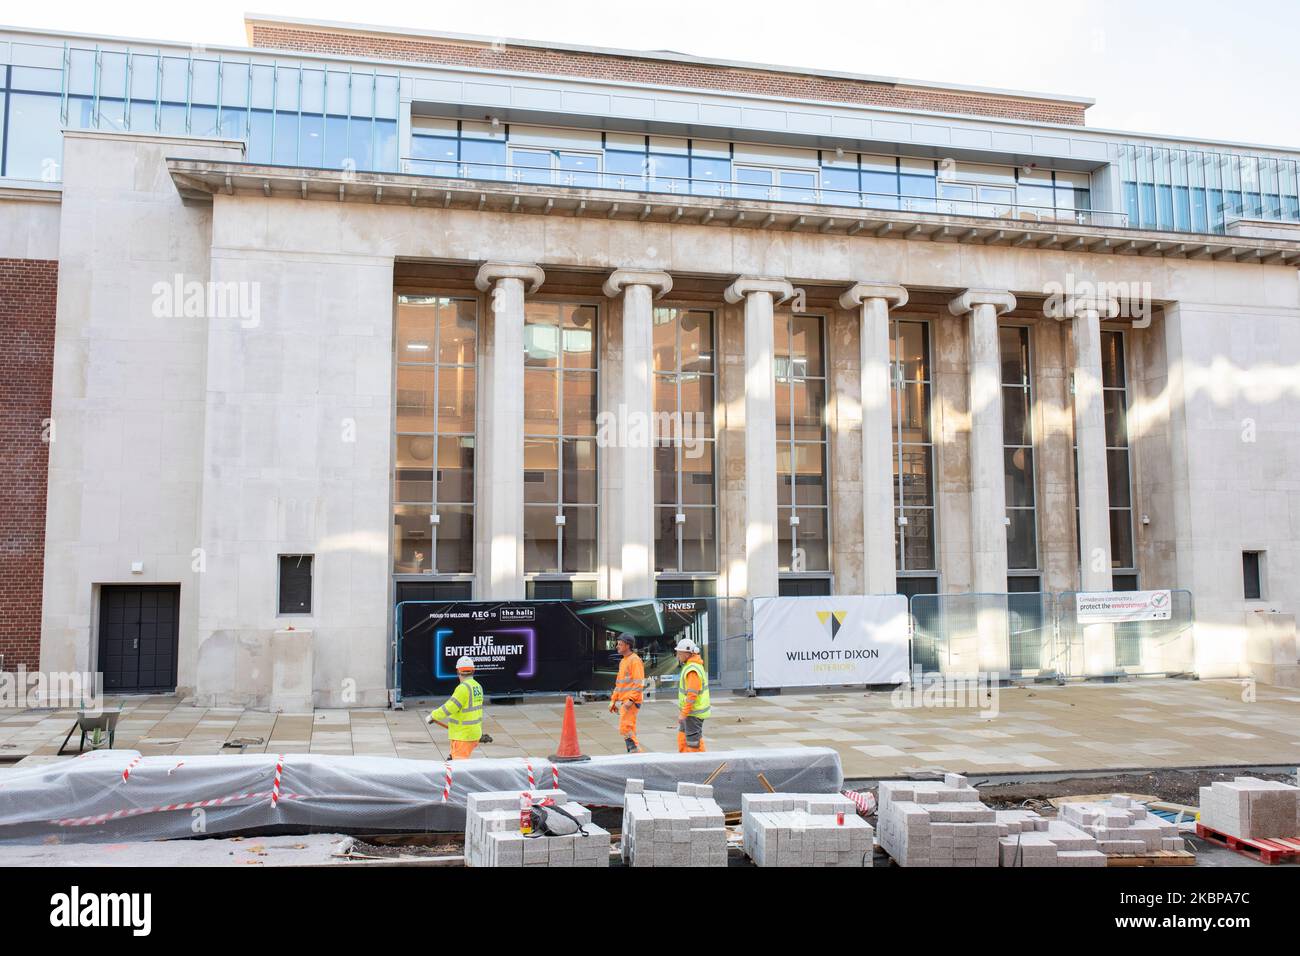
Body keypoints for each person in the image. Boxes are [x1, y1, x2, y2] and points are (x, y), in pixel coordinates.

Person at [426, 656, 484, 759]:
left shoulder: (463, 688)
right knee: (455, 761)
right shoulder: (477, 686)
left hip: (463, 735)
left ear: (458, 671)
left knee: (458, 767)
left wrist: (433, 715)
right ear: (473, 670)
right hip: (473, 732)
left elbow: (449, 707)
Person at [609, 636, 645, 753]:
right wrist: (613, 700)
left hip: (631, 702)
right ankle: (633, 753)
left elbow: (639, 683)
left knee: (626, 727)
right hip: (626, 701)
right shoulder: (624, 661)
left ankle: (636, 752)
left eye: (620, 644)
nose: (617, 646)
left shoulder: (634, 660)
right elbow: (619, 683)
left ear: (627, 645)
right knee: (629, 728)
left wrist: (630, 700)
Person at [674, 638, 710, 753]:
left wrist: (683, 714)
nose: (678, 656)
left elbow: (692, 696)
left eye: (679, 653)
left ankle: (697, 767)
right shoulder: (692, 666)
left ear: (687, 653)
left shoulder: (692, 670)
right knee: (683, 738)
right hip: (691, 713)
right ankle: (685, 763)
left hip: (693, 714)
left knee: (693, 745)